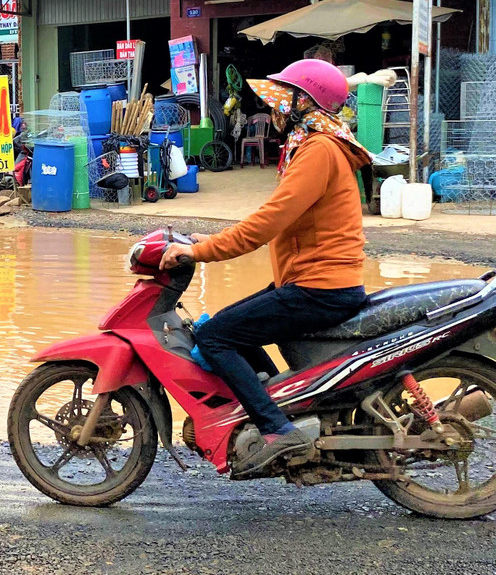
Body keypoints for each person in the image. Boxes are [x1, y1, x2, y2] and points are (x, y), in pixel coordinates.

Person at [159, 59, 371, 474]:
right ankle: (283, 407)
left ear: (305, 103)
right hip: (312, 281)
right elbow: (277, 220)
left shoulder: (320, 150)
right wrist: (207, 240)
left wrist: (201, 252)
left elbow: (268, 222)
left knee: (217, 336)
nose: (274, 108)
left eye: (283, 99)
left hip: (320, 287)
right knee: (222, 326)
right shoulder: (314, 145)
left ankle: (277, 430)